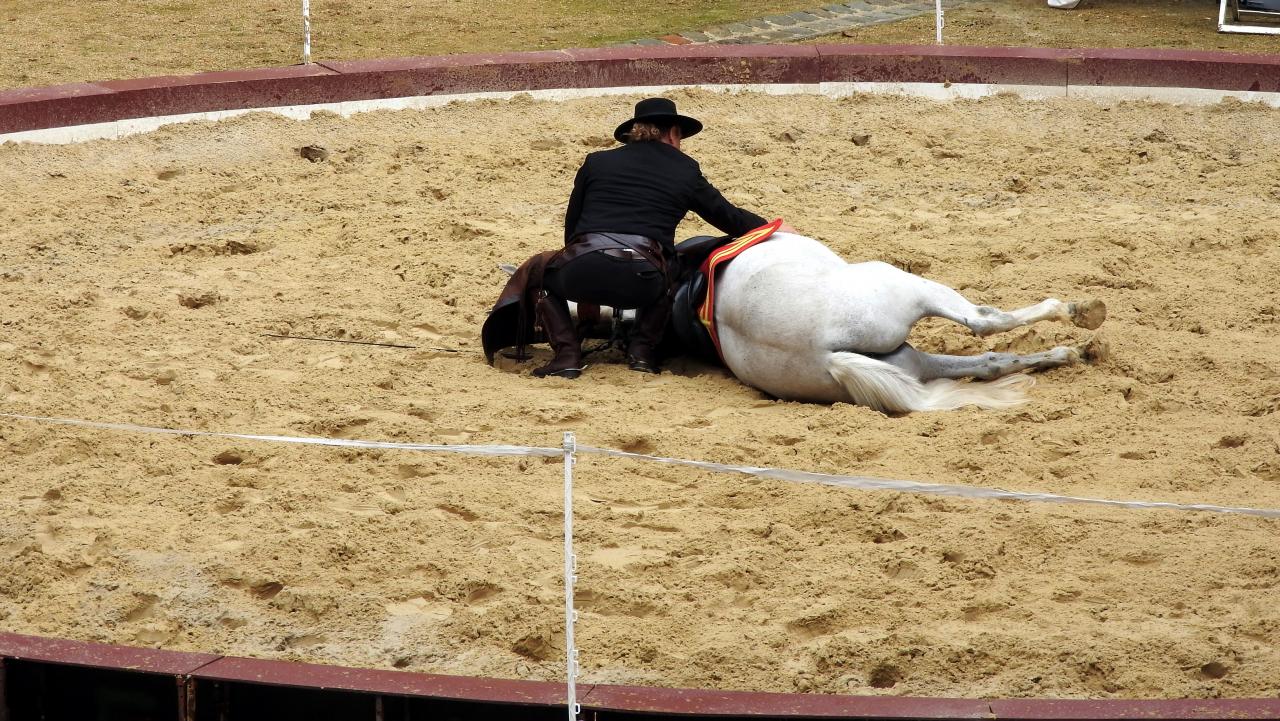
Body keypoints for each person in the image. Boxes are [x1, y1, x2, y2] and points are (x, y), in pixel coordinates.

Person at [532, 97, 781, 379]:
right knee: (674, 269)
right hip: (643, 281)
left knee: (540, 274)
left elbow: (573, 228)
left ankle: (566, 355)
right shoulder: (685, 169)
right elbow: (727, 217)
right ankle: (642, 351)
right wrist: (771, 227)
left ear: (635, 130)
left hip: (581, 271)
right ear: (673, 133)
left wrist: (579, 271)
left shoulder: (596, 161)